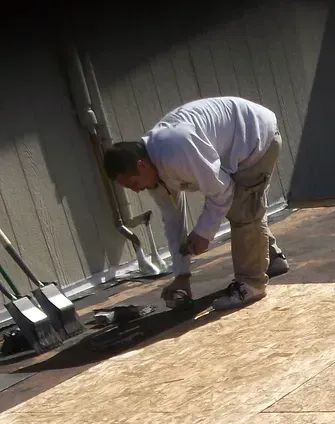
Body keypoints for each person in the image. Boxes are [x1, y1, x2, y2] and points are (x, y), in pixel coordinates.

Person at [102, 96, 289, 312]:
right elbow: (173, 220)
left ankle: (251, 284)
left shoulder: (175, 151)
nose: (135, 190)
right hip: (237, 142)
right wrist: (182, 275)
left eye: (133, 183)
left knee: (243, 209)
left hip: (256, 139)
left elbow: (222, 190)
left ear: (141, 165)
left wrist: (203, 234)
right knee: (246, 205)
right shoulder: (154, 172)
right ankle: (272, 258)